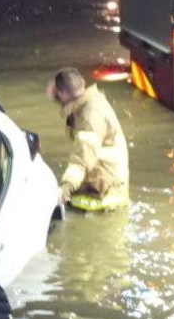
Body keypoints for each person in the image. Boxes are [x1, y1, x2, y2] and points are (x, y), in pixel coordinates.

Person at [47, 65, 130, 211]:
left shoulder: (89, 119)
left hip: (105, 191)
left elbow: (81, 160)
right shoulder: (89, 101)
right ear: (83, 83)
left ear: (62, 94)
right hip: (106, 179)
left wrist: (65, 189)